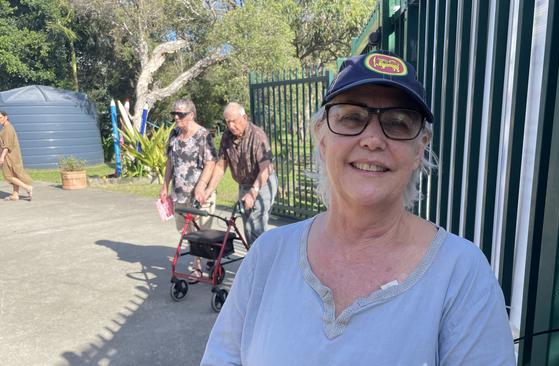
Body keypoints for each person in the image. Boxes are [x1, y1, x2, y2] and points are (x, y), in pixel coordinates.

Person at [201, 51, 515, 365]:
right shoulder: (267, 257)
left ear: (420, 148)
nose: (373, 139)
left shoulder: (462, 276)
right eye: (352, 117)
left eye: (398, 122)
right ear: (321, 137)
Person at [203, 102, 277, 245]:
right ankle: (254, 260)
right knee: (247, 227)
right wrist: (208, 190)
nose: (231, 126)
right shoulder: (226, 136)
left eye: (234, 121)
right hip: (244, 184)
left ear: (244, 117)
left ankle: (263, 263)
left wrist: (253, 193)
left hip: (263, 183)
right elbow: (220, 166)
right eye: (227, 122)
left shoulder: (257, 135)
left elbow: (265, 168)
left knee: (256, 226)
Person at [160, 99, 217, 282]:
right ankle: (206, 259)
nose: (176, 117)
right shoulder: (175, 134)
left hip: (199, 195)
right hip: (179, 193)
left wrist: (201, 186)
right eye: (174, 114)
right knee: (184, 230)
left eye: (181, 114)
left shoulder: (203, 135)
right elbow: (170, 161)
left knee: (200, 231)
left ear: (191, 115)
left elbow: (211, 163)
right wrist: (164, 186)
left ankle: (197, 266)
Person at [0, 111, 33, 201]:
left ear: (6, 117)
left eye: (0, 117)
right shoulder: (5, 128)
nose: (0, 120)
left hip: (9, 156)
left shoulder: (8, 129)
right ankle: (15, 194)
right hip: (11, 155)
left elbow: (7, 146)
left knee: (8, 176)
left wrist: (2, 157)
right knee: (14, 174)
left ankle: (27, 187)